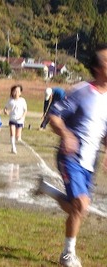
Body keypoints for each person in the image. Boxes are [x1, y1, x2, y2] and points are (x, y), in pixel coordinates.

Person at [46, 43, 107, 267]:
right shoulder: (82, 91)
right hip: (70, 156)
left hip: (90, 161)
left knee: (80, 208)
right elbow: (55, 116)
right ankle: (68, 254)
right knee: (80, 204)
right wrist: (66, 135)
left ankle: (51, 192)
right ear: (99, 68)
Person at [4, 84, 27, 154]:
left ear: (20, 93)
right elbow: (5, 108)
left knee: (18, 137)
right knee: (12, 134)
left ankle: (18, 139)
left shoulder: (22, 100)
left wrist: (23, 116)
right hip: (12, 120)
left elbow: (25, 110)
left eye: (18, 91)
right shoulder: (10, 101)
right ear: (12, 92)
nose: (16, 93)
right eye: (15, 91)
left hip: (20, 121)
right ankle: (13, 147)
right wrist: (6, 112)